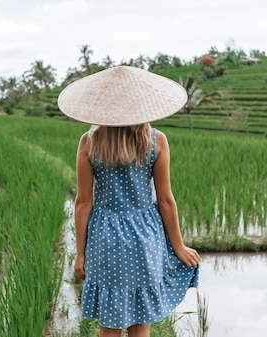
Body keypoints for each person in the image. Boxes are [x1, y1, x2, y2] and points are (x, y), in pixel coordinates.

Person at [57, 66, 200, 337]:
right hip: (144, 236)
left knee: (109, 322)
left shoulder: (90, 142)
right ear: (144, 106)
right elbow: (165, 200)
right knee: (140, 321)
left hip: (105, 237)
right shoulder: (156, 140)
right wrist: (178, 246)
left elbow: (83, 203)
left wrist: (80, 253)